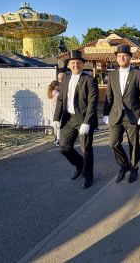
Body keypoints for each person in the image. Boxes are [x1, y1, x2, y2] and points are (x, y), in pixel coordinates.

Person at [103, 44, 140, 184]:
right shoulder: (111, 75)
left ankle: (134, 168)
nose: (122, 58)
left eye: (125, 55)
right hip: (115, 114)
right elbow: (109, 97)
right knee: (113, 143)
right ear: (116, 58)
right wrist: (105, 114)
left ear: (130, 57)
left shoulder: (138, 74)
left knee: (134, 144)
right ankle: (124, 165)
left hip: (133, 115)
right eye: (119, 56)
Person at [53, 50, 98, 189]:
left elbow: (92, 102)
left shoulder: (89, 80)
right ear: (68, 65)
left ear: (83, 64)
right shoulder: (65, 79)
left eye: (78, 62)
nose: (75, 65)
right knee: (64, 147)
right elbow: (61, 100)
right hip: (69, 118)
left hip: (84, 119)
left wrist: (86, 122)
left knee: (86, 149)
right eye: (73, 63)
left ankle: (88, 176)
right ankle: (79, 164)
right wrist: (56, 118)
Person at [48, 80, 60, 147]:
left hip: (52, 112)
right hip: (57, 112)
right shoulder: (57, 94)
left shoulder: (51, 93)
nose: (59, 86)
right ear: (56, 86)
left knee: (55, 127)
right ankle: (58, 140)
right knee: (59, 127)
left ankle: (56, 139)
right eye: (58, 85)